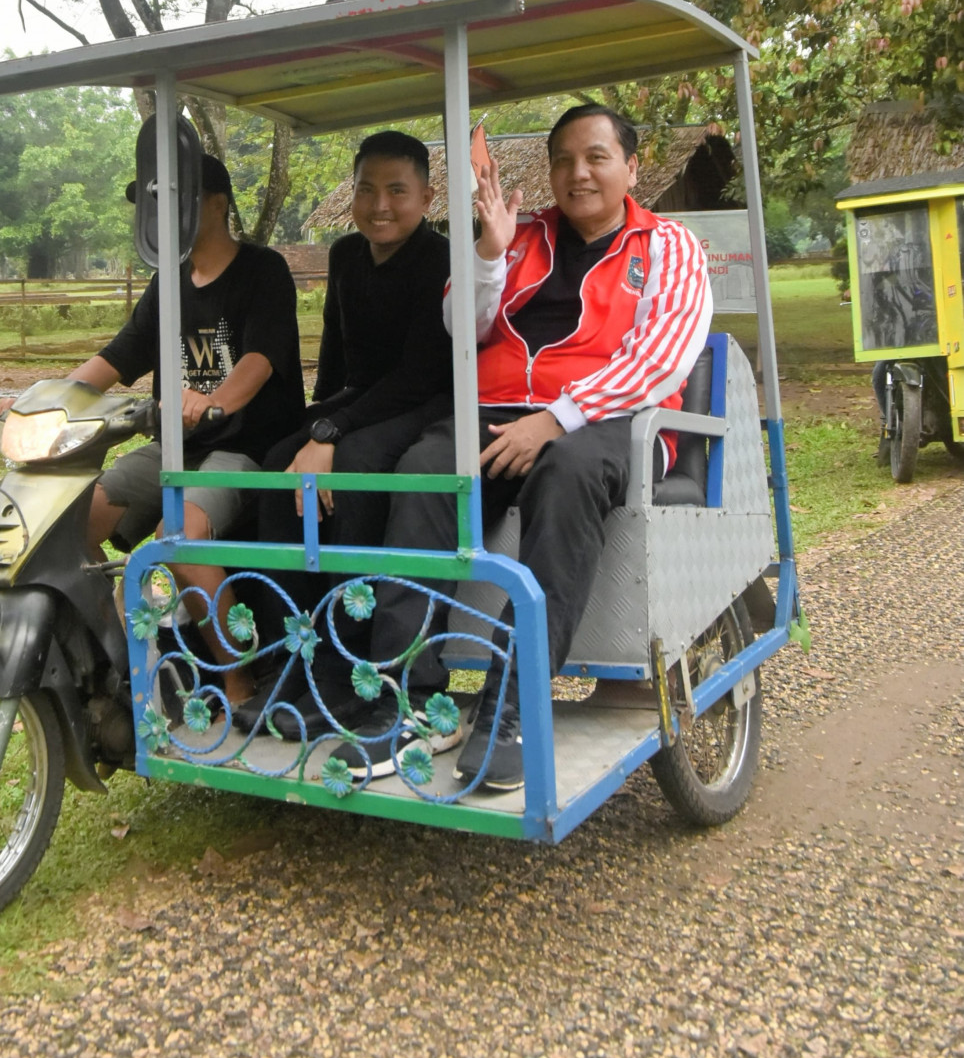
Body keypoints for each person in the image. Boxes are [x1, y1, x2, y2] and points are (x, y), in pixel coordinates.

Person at [334, 103, 712, 793]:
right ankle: (409, 698)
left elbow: (658, 361)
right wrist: (487, 250)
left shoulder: (668, 246)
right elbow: (462, 325)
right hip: (495, 415)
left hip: (612, 423)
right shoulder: (523, 233)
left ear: (632, 166)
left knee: (566, 471)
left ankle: (515, 700)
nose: (578, 173)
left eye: (596, 156)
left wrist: (557, 419)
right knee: (426, 470)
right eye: (563, 159)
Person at [236, 130, 453, 737]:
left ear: (427, 196)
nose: (380, 205)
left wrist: (331, 430)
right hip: (362, 401)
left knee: (350, 469)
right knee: (282, 464)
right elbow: (336, 355)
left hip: (425, 400)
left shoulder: (439, 259)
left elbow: (418, 375)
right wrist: (315, 421)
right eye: (367, 190)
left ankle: (346, 664)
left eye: (397, 191)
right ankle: (290, 654)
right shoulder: (345, 255)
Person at [72, 154, 305, 707]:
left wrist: (214, 402)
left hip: (245, 446)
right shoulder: (167, 282)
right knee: (77, 520)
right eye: (158, 202)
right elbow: (119, 357)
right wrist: (46, 398)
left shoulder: (262, 270)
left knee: (176, 537)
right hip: (173, 445)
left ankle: (237, 679)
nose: (163, 212)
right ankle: (124, 654)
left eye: (176, 199)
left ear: (217, 205)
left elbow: (260, 359)